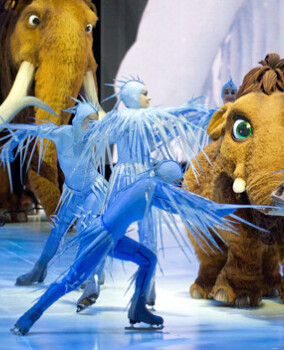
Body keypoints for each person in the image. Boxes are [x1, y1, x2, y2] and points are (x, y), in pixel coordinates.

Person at [11, 160, 247, 335]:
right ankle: (29, 317)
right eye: (176, 184)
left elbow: (180, 205)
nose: (177, 189)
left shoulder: (147, 186)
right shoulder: (151, 187)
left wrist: (215, 210)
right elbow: (183, 205)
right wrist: (221, 209)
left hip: (111, 238)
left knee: (148, 259)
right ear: (169, 182)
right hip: (101, 238)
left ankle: (138, 309)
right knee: (71, 280)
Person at [82, 78, 209, 308]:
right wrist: (189, 117)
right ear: (132, 96)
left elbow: (141, 139)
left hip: (124, 178)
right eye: (144, 93)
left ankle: (95, 284)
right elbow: (162, 128)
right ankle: (145, 290)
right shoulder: (139, 118)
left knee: (107, 232)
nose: (149, 98)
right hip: (141, 180)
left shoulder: (118, 119)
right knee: (146, 235)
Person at [0, 98, 107, 309]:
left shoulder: (94, 135)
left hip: (93, 190)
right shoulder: (62, 134)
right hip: (73, 192)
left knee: (86, 229)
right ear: (78, 120)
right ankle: (39, 269)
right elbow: (31, 131)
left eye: (95, 121)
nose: (92, 126)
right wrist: (10, 141)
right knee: (57, 230)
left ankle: (90, 278)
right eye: (88, 121)